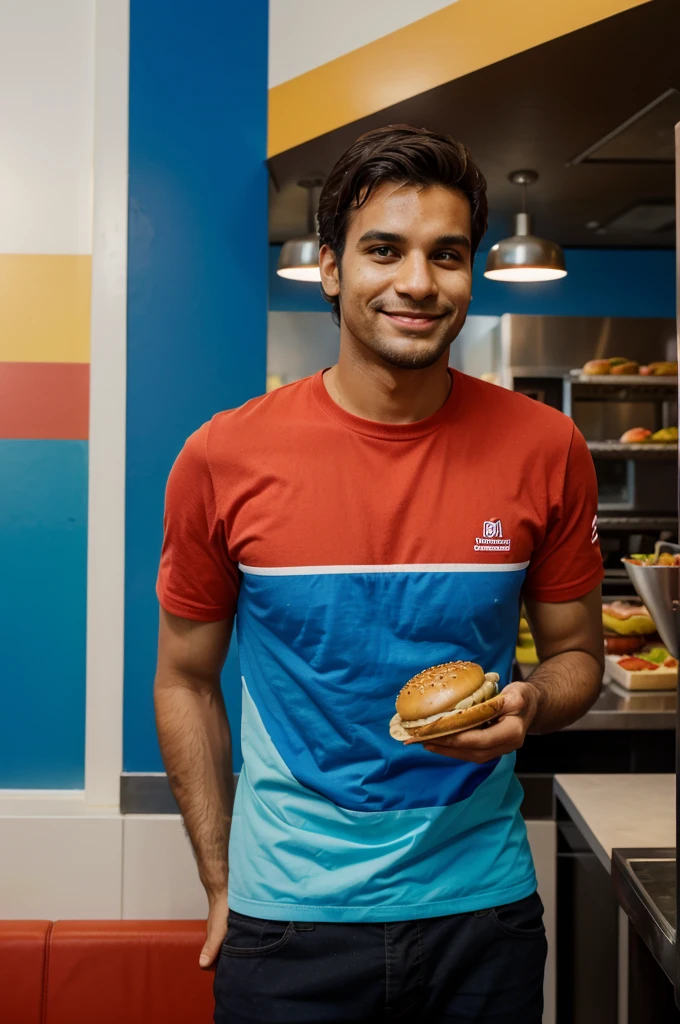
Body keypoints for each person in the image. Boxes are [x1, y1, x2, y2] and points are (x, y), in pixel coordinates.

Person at [154, 124, 604, 1023]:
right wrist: (218, 875)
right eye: (384, 250)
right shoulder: (223, 456)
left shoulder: (545, 446)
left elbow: (578, 657)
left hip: (481, 910)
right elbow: (185, 677)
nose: (416, 282)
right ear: (330, 269)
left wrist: (528, 707)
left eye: (446, 254)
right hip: (288, 921)